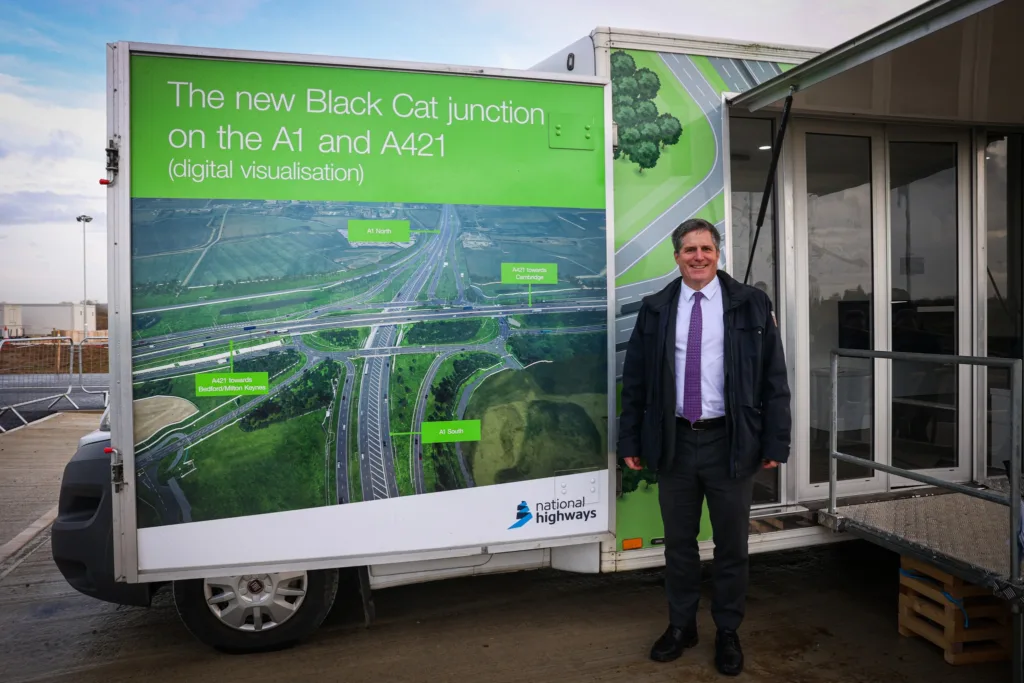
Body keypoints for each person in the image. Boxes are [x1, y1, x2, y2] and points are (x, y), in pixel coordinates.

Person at [617, 218, 791, 676]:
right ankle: (681, 627)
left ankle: (728, 630)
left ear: (718, 254)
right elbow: (634, 381)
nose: (698, 257)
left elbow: (775, 379)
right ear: (676, 257)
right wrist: (630, 439)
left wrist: (776, 439)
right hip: (674, 442)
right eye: (689, 249)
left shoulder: (751, 305)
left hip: (731, 443)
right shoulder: (655, 309)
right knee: (679, 545)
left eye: (706, 249)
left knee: (732, 545)